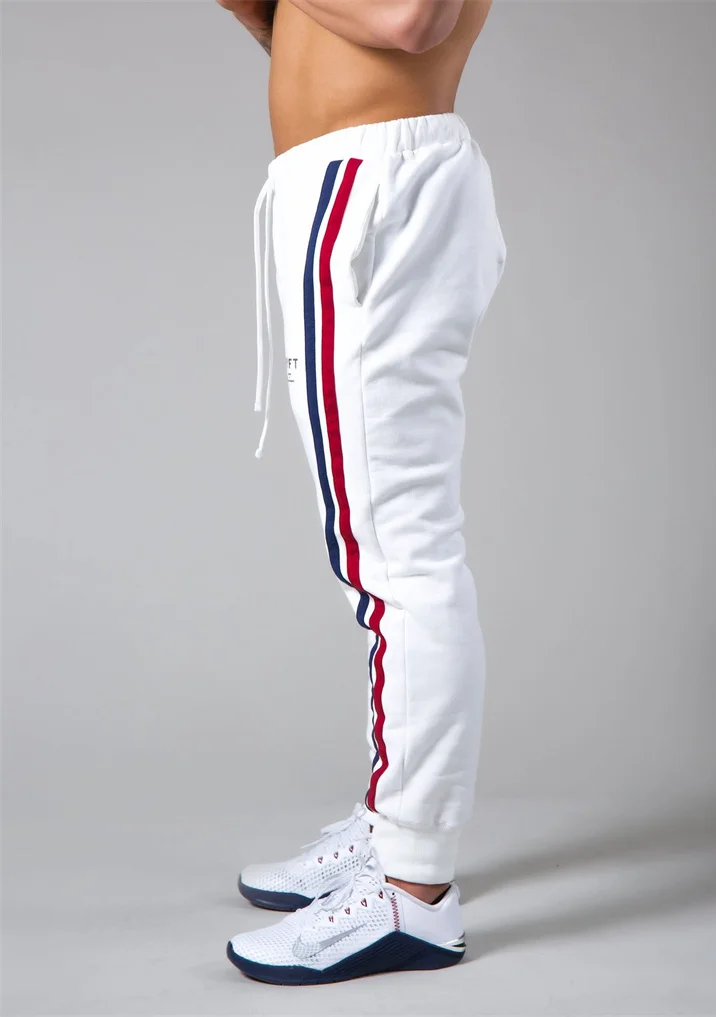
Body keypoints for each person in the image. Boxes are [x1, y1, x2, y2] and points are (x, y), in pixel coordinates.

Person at [218, 0, 506, 985]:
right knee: (384, 545)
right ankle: (396, 829)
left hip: (371, 186)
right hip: (359, 180)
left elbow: (407, 18)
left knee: (398, 556)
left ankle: (412, 890)